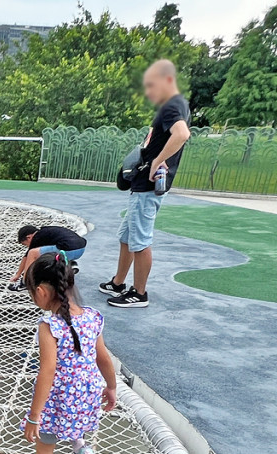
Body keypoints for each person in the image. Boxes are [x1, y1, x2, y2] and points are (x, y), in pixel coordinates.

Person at [17, 252, 117, 454]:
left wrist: (34, 415)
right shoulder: (92, 316)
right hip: (89, 392)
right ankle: (81, 448)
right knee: (73, 412)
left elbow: (47, 371)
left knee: (45, 445)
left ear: (40, 291)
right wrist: (112, 386)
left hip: (62, 397)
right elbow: (103, 357)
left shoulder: (49, 325)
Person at [99, 59, 191, 309]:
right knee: (127, 236)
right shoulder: (173, 106)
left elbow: (182, 134)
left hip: (148, 187)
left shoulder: (173, 105)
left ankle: (139, 293)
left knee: (139, 239)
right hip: (141, 185)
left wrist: (157, 162)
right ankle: (119, 282)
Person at [11, 224, 87, 284]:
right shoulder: (46, 232)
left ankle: (25, 282)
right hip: (81, 248)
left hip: (68, 250)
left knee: (32, 253)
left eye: (25, 244)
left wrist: (18, 274)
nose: (28, 246)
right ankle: (70, 264)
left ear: (29, 237)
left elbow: (26, 257)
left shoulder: (36, 238)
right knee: (49, 252)